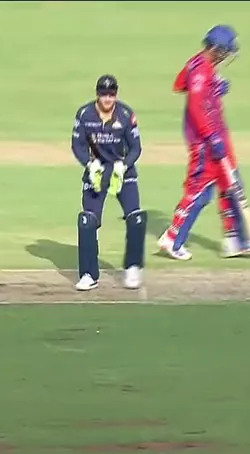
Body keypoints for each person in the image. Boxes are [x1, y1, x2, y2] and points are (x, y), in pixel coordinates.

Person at [155, 25, 250, 261]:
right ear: (216, 49)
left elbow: (179, 85)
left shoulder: (199, 64)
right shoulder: (200, 70)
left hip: (216, 136)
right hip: (206, 142)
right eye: (226, 51)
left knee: (230, 185)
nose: (227, 56)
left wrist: (214, 88)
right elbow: (196, 107)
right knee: (200, 193)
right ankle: (172, 239)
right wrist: (211, 136)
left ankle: (236, 240)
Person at [71, 74, 146, 291]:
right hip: (97, 171)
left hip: (122, 171)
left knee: (136, 218)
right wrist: (90, 164)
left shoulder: (126, 115)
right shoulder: (85, 114)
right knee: (87, 221)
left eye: (111, 95)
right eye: (104, 94)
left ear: (116, 95)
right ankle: (88, 274)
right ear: (97, 95)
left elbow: (136, 148)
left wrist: (123, 166)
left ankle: (133, 267)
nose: (107, 99)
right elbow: (77, 145)